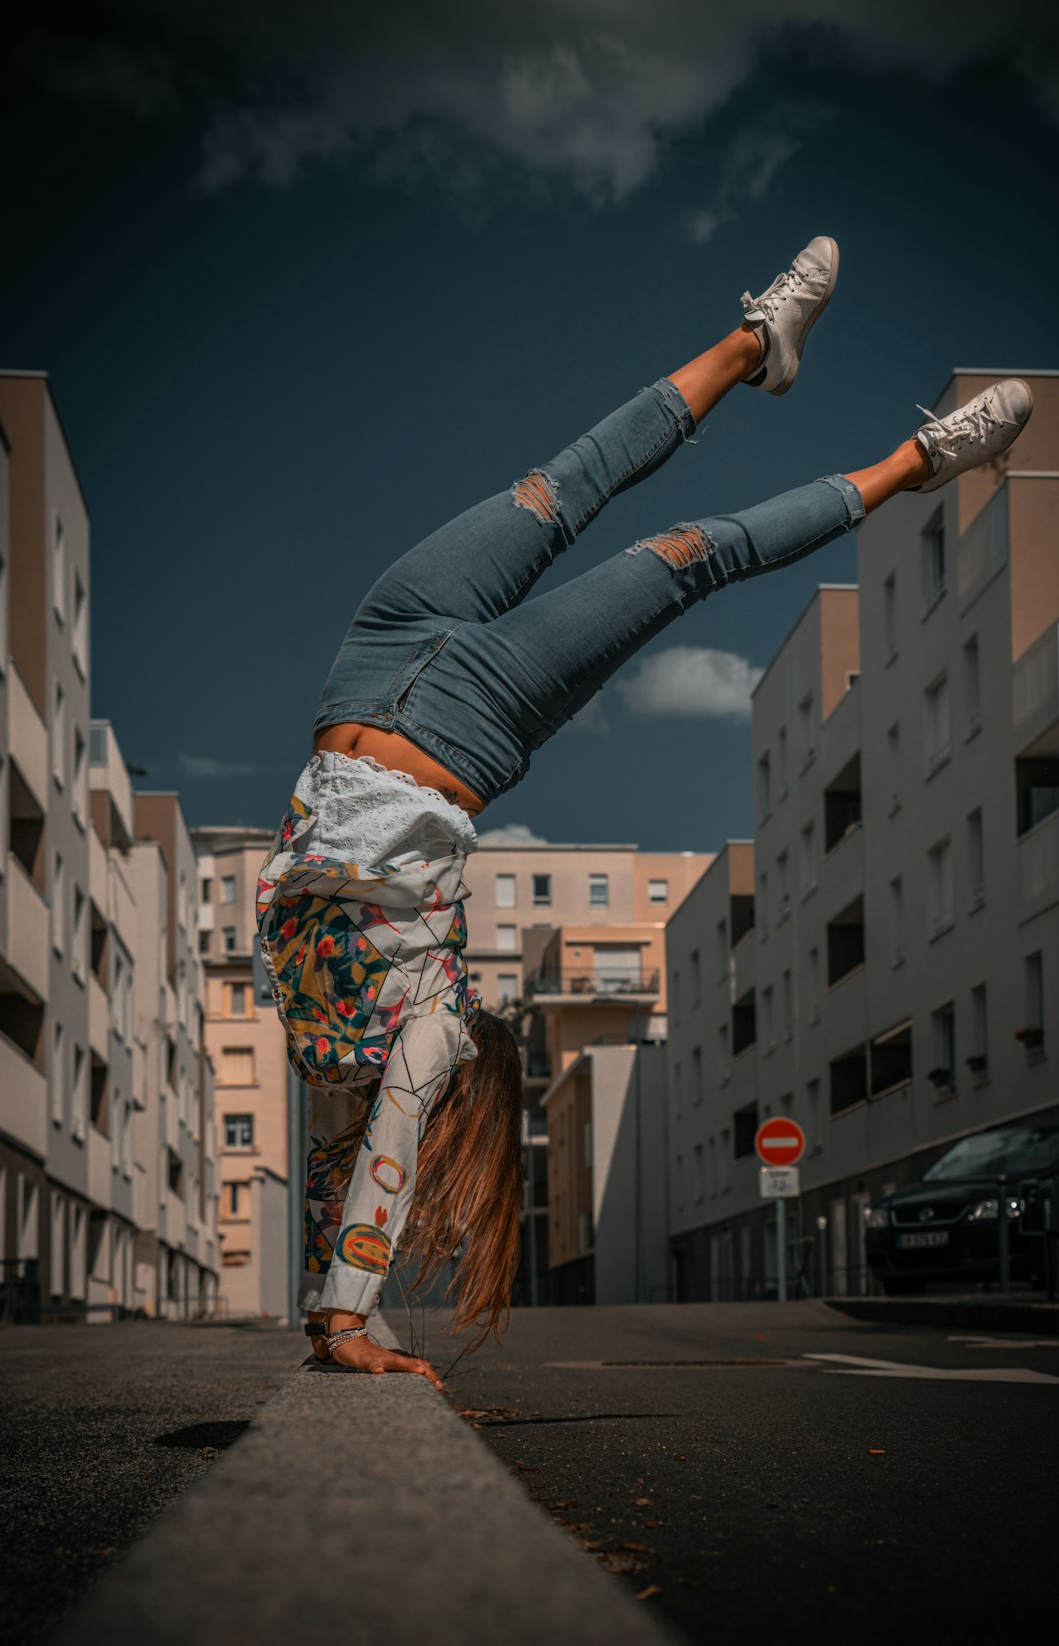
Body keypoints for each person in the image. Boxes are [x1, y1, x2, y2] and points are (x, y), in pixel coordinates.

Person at [256, 235, 1032, 1389]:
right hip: (473, 723)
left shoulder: (321, 1054)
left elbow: (336, 1171)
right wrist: (347, 1321)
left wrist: (329, 1305)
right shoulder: (428, 1021)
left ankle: (756, 343)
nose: (409, 1106)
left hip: (371, 653)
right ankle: (919, 460)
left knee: (564, 481)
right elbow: (382, 1159)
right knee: (686, 557)